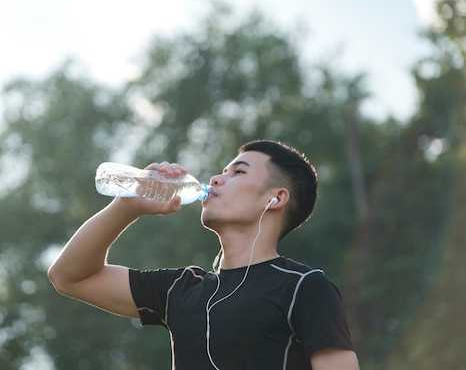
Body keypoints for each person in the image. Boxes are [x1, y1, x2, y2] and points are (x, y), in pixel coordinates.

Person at [48, 139, 360, 369]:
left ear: (275, 198)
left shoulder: (304, 287)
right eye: (221, 171)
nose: (215, 179)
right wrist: (127, 205)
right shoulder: (179, 290)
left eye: (238, 172)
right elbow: (68, 276)